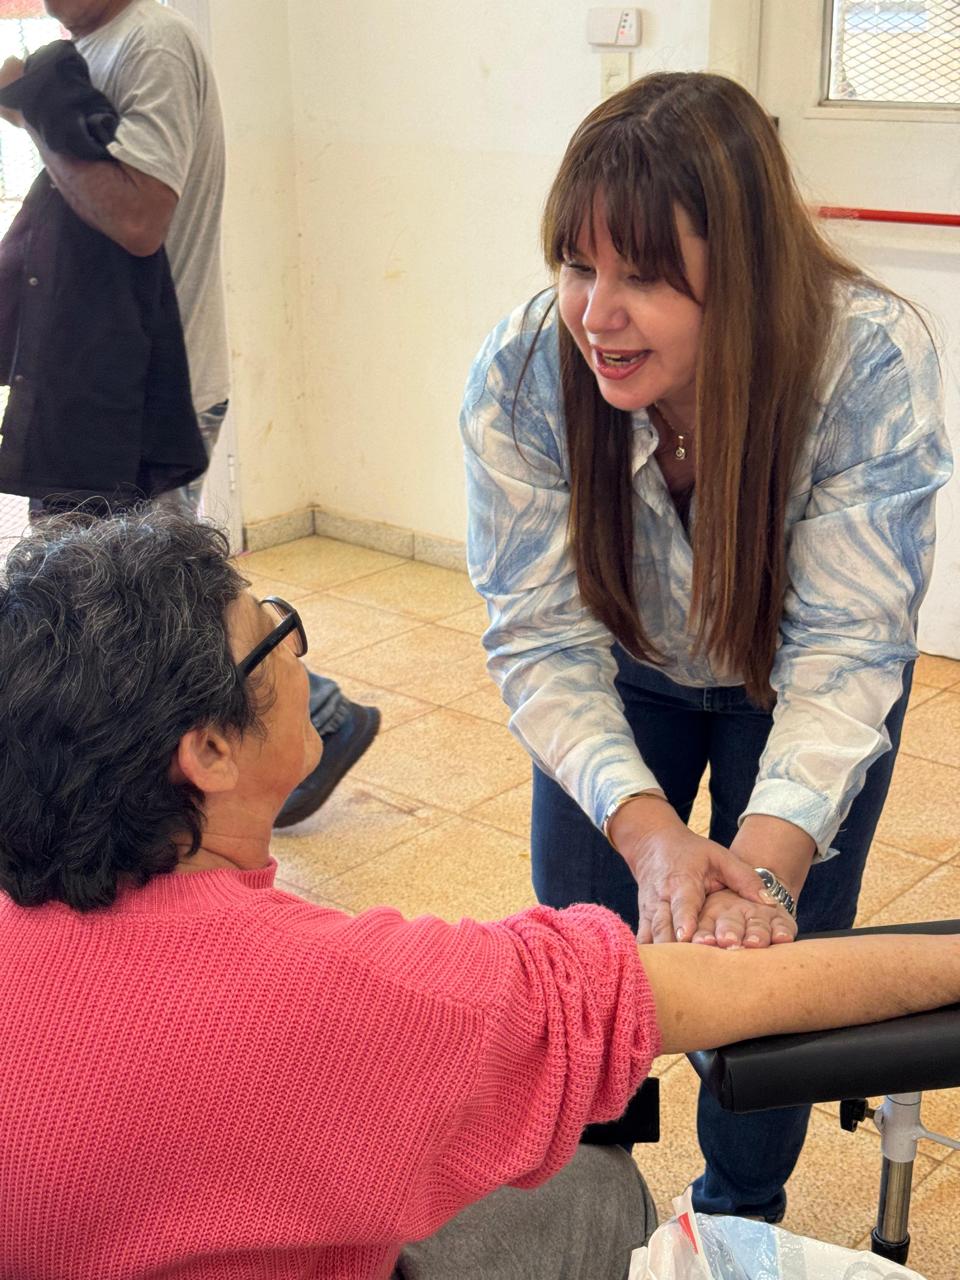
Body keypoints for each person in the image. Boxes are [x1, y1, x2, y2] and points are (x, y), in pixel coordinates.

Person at [1, 509, 959, 1280]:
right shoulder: (351, 996)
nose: (298, 650)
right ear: (206, 752)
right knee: (594, 1183)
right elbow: (691, 995)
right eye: (273, 634)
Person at [461, 71, 952, 1223]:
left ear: (742, 274)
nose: (595, 312)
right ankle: (586, 1203)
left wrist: (760, 870)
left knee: (772, 972)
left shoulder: (865, 364)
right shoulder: (526, 370)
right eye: (578, 264)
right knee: (584, 959)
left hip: (799, 687)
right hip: (622, 677)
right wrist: (654, 839)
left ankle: (739, 1209)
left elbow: (846, 652)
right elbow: (537, 632)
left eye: (643, 275)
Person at [0, 0, 377, 826]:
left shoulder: (153, 42)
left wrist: (37, 111)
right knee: (147, 598)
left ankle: (315, 715)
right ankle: (305, 716)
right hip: (109, 392)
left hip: (150, 395)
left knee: (153, 604)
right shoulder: (93, 47)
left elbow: (137, 218)